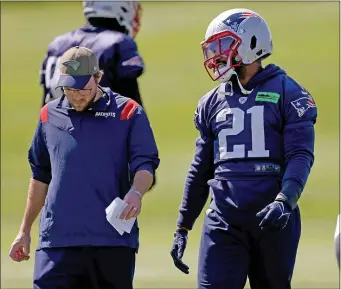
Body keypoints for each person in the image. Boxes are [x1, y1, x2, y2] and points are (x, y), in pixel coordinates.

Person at [170, 8, 317, 289]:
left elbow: (300, 154)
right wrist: (183, 225)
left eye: (223, 45)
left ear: (251, 43)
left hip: (273, 218)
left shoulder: (289, 92)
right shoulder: (211, 102)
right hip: (224, 219)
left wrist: (285, 200)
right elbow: (201, 168)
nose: (217, 55)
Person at [9, 46, 160, 289]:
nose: (77, 95)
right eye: (69, 89)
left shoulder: (128, 112)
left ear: (98, 78)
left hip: (110, 243)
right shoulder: (48, 115)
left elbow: (145, 164)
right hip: (56, 243)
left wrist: (137, 192)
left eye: (83, 89)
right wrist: (24, 230)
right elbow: (40, 176)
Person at [40, 1, 145, 108]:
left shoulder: (57, 45)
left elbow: (46, 110)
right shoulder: (118, 43)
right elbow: (133, 109)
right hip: (100, 124)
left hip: (58, 124)